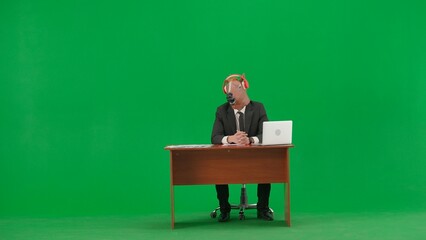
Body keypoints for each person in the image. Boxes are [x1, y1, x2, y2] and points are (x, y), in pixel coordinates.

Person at [211, 73, 273, 222]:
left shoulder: (258, 108)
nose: (231, 97)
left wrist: (250, 140)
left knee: (267, 167)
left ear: (243, 88)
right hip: (230, 158)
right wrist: (230, 139)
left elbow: (266, 133)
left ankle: (263, 208)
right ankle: (224, 209)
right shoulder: (221, 110)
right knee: (218, 169)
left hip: (254, 158)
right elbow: (215, 137)